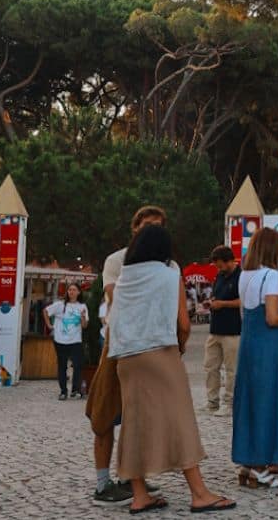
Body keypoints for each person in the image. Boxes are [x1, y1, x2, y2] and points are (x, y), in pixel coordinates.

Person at [108, 224, 234, 514]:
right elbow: (184, 323)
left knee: (134, 424)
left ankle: (139, 495)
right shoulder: (169, 275)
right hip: (159, 352)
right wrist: (180, 347)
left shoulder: (125, 277)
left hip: (126, 358)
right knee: (180, 419)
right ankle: (199, 493)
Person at [87, 205, 169, 505]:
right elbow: (115, 297)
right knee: (106, 412)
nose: (152, 230)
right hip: (119, 342)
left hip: (151, 344)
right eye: (147, 225)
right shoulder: (117, 260)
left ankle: (131, 476)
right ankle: (102, 483)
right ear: (135, 228)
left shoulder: (168, 264)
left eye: (158, 225)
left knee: (140, 418)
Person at [232, 227, 278, 488]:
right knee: (267, 403)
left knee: (249, 402)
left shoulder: (245, 274)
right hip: (268, 347)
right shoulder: (272, 276)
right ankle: (260, 467)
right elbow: (272, 318)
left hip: (248, 344)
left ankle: (246, 462)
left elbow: (245, 313)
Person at [205, 246, 241, 417]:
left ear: (229, 261)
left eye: (220, 265)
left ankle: (229, 403)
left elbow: (243, 301)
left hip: (232, 331)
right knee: (210, 366)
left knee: (231, 369)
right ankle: (212, 401)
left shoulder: (241, 276)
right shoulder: (219, 276)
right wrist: (211, 302)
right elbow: (217, 296)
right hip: (215, 330)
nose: (218, 268)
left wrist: (223, 304)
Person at [44, 282, 89, 400]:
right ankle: (63, 391)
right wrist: (49, 325)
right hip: (60, 340)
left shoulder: (82, 306)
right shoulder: (60, 305)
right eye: (70, 290)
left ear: (79, 292)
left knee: (78, 365)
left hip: (76, 340)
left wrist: (83, 317)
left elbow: (84, 326)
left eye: (74, 290)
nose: (71, 292)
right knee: (62, 366)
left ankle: (75, 389)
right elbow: (46, 311)